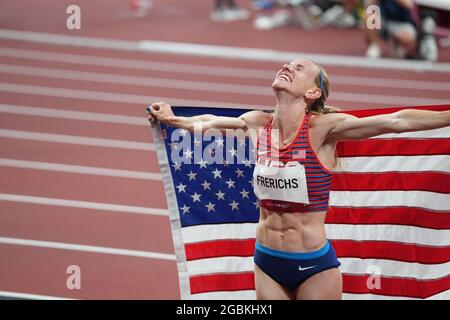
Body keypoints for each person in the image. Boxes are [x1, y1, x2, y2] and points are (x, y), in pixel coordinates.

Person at [147, 58, 450, 300]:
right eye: (286, 65)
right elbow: (208, 123)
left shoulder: (323, 129)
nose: (287, 67)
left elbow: (397, 121)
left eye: (298, 68)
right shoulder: (257, 123)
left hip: (314, 266)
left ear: (313, 93)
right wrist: (172, 119)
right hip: (266, 261)